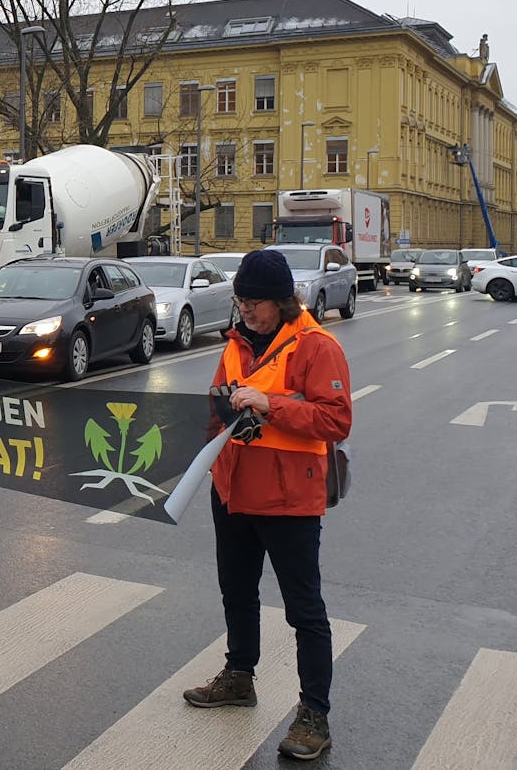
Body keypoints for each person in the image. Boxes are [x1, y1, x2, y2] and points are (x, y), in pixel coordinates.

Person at [182, 248, 353, 762]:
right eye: (241, 301)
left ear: (282, 302)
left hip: (288, 498)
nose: (246, 311)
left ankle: (313, 714)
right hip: (233, 490)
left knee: (304, 609)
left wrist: (268, 403)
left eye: (254, 303)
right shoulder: (235, 344)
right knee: (236, 590)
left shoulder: (315, 347)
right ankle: (240, 676)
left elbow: (335, 420)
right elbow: (219, 403)